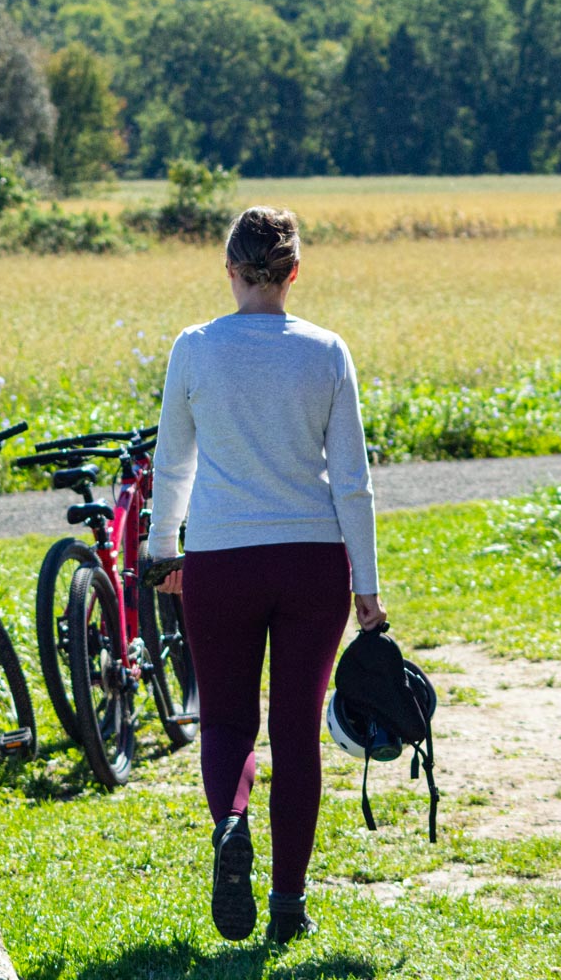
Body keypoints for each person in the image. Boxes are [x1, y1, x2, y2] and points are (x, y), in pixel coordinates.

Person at [147, 206, 386, 944]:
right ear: (294, 273)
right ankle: (288, 905)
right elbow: (353, 481)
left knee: (225, 720)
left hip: (220, 561)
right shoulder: (326, 351)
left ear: (230, 269)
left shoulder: (195, 347)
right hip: (313, 564)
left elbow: (172, 461)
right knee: (296, 732)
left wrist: (162, 549)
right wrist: (367, 584)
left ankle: (231, 823)